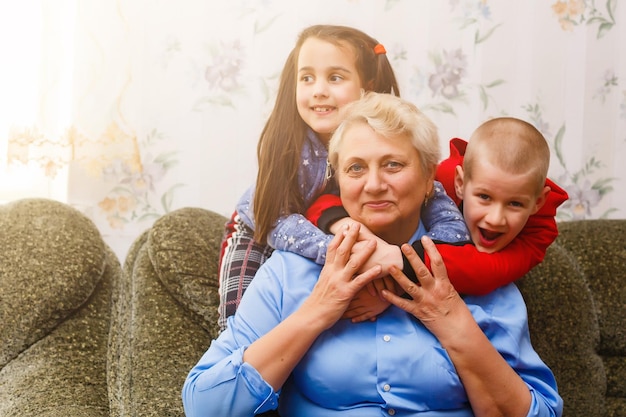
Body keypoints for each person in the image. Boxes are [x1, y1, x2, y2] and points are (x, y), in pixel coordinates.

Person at [182, 93, 563, 416]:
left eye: (393, 165)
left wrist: (455, 323)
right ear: (338, 179)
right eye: (356, 168)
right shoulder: (289, 271)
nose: (375, 184)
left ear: (431, 176)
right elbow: (204, 404)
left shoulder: (477, 271)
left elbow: (541, 410)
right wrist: (318, 310)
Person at [218, 24, 468, 331]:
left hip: (333, 236)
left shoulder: (393, 141)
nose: (319, 90)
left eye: (334, 77)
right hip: (260, 233)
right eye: (306, 77)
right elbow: (269, 215)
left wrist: (415, 261)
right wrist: (350, 254)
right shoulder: (293, 151)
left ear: (368, 86)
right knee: (241, 324)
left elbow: (452, 228)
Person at [305, 117, 569, 317]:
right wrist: (342, 222)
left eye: (514, 204)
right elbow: (332, 199)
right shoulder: (438, 177)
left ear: (538, 203)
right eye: (484, 198)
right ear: (460, 184)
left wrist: (396, 273)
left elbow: (483, 271)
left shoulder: (538, 233)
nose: (495, 218)